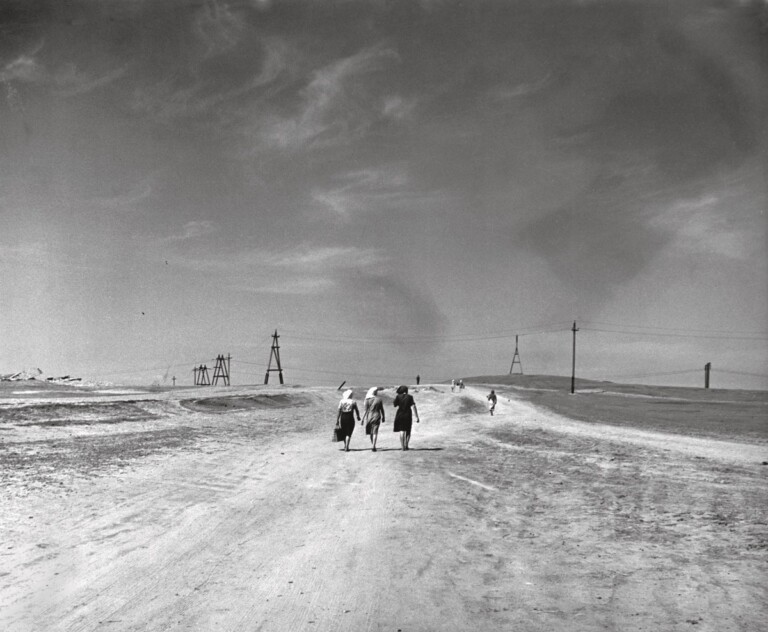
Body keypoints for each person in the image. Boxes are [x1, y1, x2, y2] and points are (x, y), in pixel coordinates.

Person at [393, 385, 419, 450]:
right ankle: (406, 445)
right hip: (408, 414)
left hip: (400, 414)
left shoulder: (398, 396)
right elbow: (413, 406)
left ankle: (402, 446)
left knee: (402, 430)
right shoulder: (410, 397)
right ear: (406, 390)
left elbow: (394, 405)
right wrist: (417, 416)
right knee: (408, 430)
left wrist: (396, 399)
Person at [361, 386, 385, 452]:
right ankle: (374, 445)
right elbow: (382, 409)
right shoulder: (379, 399)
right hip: (377, 416)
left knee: (371, 432)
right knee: (375, 431)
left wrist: (362, 419)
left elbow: (365, 411)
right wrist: (383, 417)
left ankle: (373, 444)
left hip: (369, 416)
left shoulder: (367, 400)